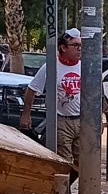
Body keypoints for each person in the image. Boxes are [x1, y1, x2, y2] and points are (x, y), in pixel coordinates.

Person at [20, 30, 84, 173]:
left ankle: (67, 189)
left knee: (83, 162)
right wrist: (26, 114)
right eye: (75, 45)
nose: (79, 49)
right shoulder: (51, 66)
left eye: (81, 45)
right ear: (63, 47)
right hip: (60, 121)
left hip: (82, 121)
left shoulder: (84, 66)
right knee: (64, 162)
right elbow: (31, 90)